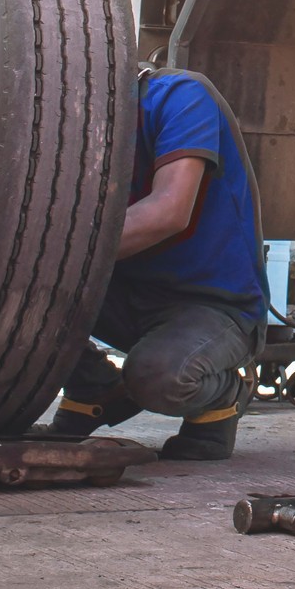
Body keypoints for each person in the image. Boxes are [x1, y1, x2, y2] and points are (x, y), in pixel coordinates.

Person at [43, 69, 264, 460]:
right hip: (120, 293)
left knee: (159, 377)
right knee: (9, 299)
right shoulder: (61, 118)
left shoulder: (179, 97)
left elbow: (169, 212)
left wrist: (52, 255)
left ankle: (223, 397)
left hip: (211, 304)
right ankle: (94, 386)